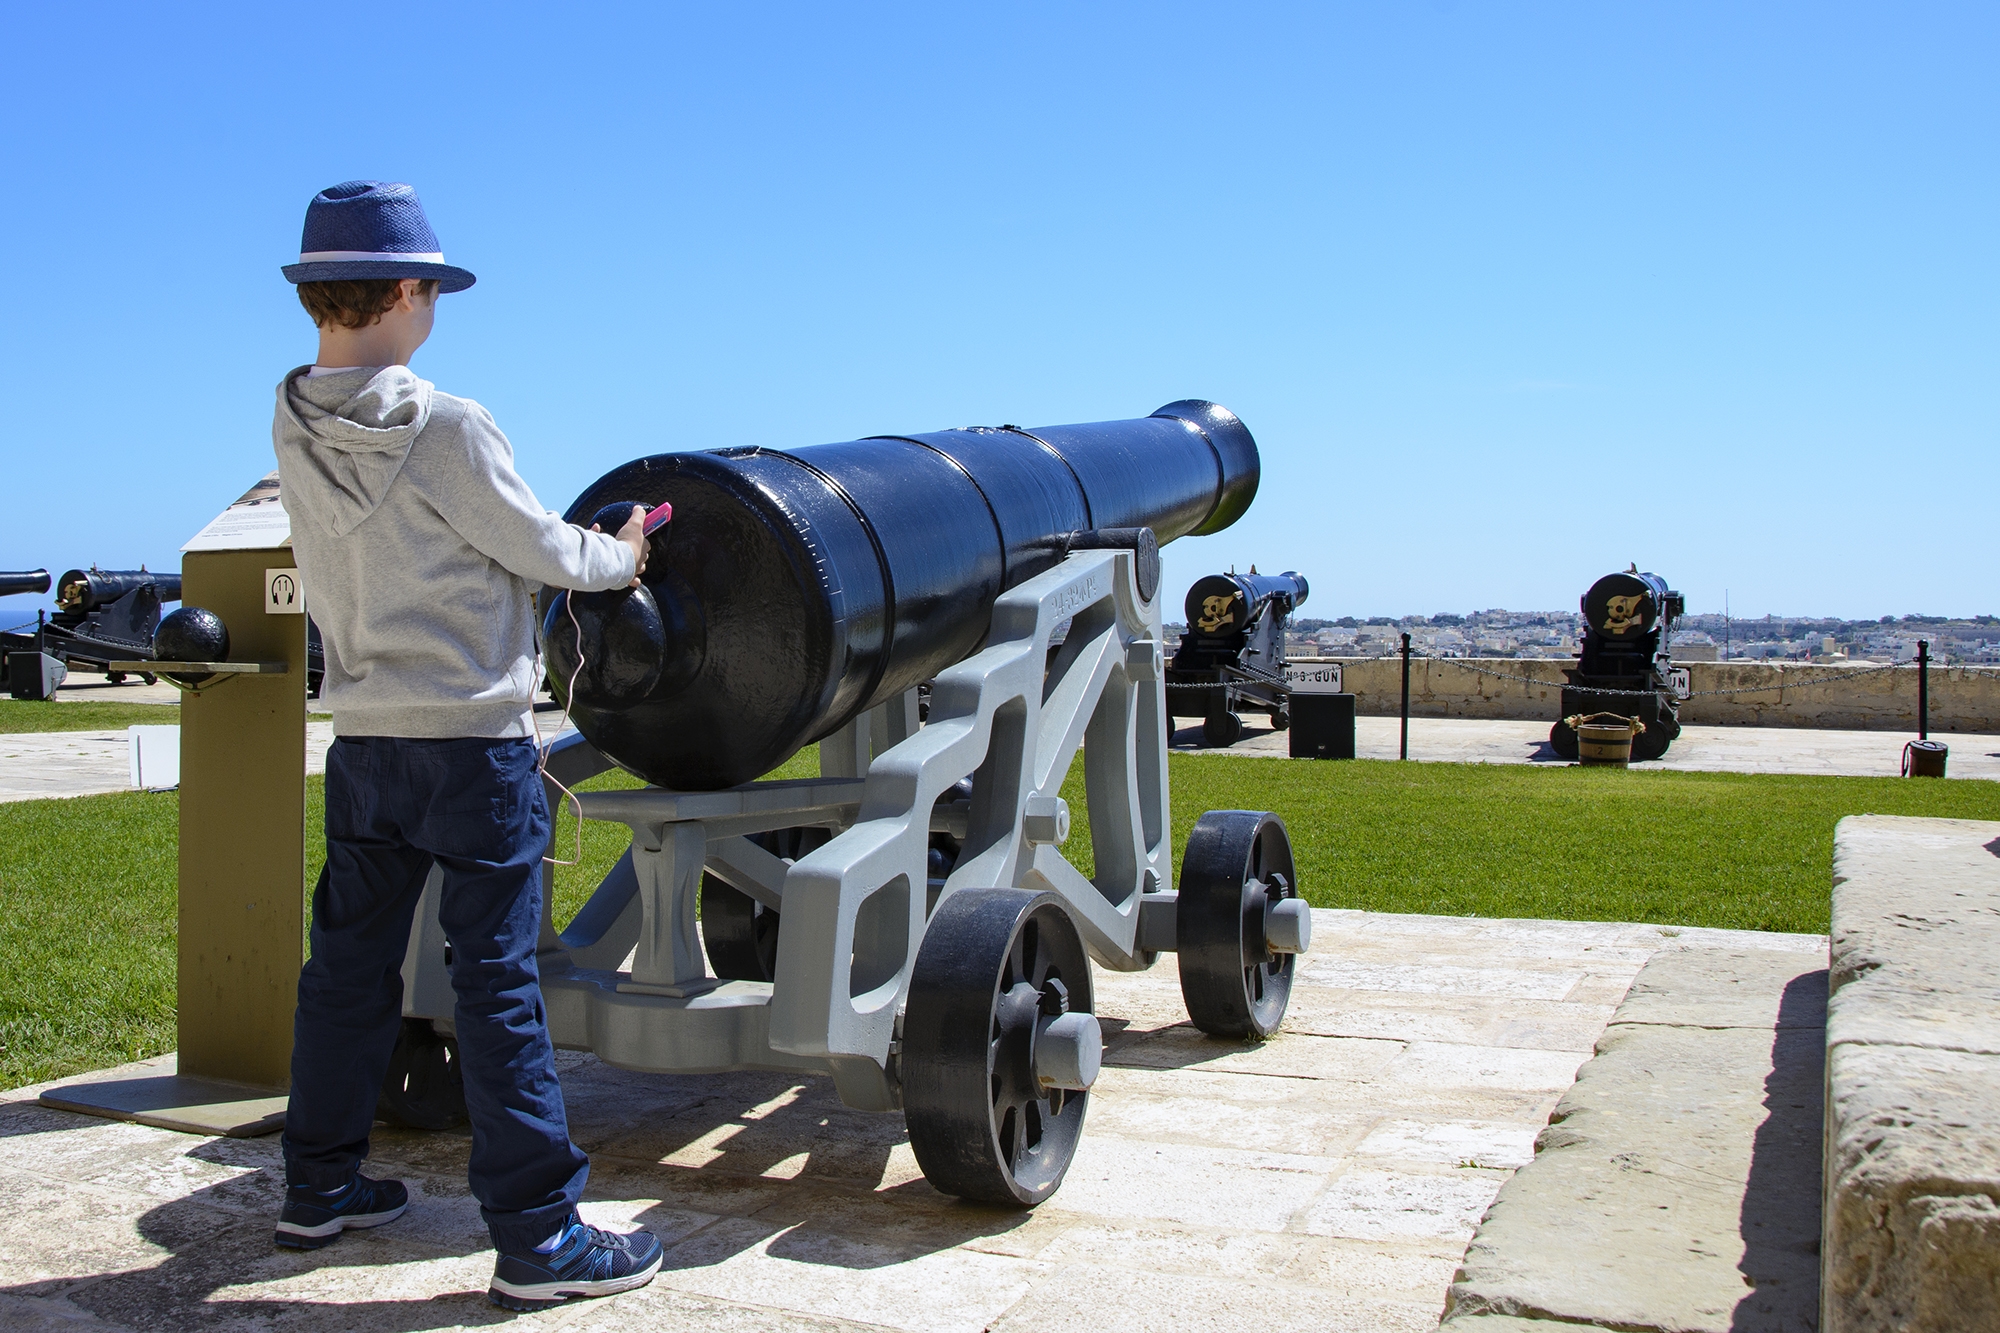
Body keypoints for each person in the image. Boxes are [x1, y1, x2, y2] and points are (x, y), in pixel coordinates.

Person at [269, 180, 662, 1311]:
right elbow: (537, 547)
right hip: (473, 747)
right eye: (429, 286)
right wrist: (623, 555)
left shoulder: (290, 412)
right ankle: (539, 1236)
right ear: (404, 291)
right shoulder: (446, 422)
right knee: (496, 987)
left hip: (365, 741)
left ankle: (318, 1185)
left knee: (346, 973)